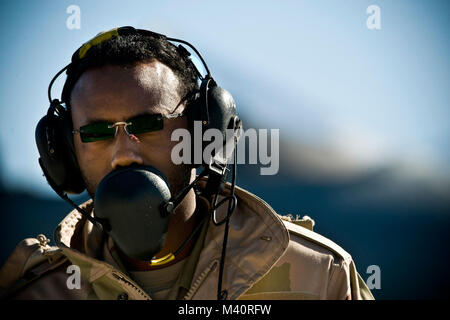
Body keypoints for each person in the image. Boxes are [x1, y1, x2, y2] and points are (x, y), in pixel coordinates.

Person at [0, 27, 374, 300]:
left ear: (204, 134)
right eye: (96, 133)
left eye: (148, 126)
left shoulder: (319, 275)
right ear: (64, 153)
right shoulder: (36, 292)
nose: (124, 153)